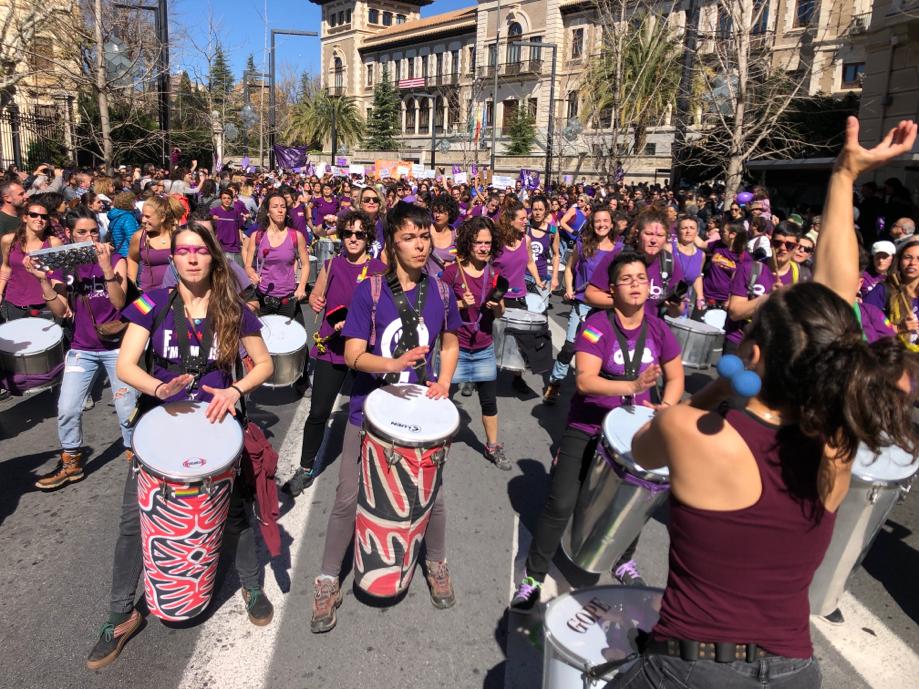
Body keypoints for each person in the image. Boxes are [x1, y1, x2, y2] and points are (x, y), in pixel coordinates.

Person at [610, 281, 917, 688]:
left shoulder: (688, 429)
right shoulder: (838, 450)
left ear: (751, 354)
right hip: (796, 671)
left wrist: (719, 387)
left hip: (690, 668)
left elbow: (642, 450)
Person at [87, 223, 275, 670]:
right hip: (161, 431)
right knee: (134, 521)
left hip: (219, 430)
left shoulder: (233, 307)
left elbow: (264, 364)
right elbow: (127, 365)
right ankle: (120, 613)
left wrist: (236, 390)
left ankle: (250, 586)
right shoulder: (149, 304)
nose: (192, 258)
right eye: (183, 251)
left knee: (237, 514)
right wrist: (160, 386)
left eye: (200, 251)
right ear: (172, 258)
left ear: (213, 257)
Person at [310, 201, 461, 634]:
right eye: (409, 237)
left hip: (422, 413)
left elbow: (449, 342)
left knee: (435, 497)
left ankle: (435, 564)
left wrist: (445, 380)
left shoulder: (443, 291)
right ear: (392, 245)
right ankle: (326, 581)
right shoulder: (370, 291)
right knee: (345, 496)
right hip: (368, 411)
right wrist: (394, 364)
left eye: (424, 235)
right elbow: (353, 355)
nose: (420, 244)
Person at [511, 252, 684, 610]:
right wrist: (633, 384)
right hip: (587, 426)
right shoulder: (597, 326)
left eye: (641, 278)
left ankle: (623, 560)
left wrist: (666, 407)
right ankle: (533, 576)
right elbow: (587, 382)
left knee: (634, 500)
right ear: (612, 288)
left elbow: (675, 375)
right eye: (627, 279)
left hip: (636, 432)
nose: (636, 284)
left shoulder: (658, 328)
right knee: (560, 503)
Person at [26, 207, 137, 490]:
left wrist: (107, 270)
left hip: (116, 348)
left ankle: (135, 455)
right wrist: (43, 280)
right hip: (82, 348)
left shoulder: (115, 258)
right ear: (71, 234)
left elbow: (118, 303)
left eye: (93, 231)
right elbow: (61, 310)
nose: (89, 237)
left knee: (127, 408)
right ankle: (72, 461)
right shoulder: (66, 266)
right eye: (81, 232)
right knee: (67, 407)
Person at [285, 210, 386, 496]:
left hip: (365, 351)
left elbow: (386, 312)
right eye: (347, 233)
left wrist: (356, 321)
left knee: (371, 415)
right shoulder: (331, 265)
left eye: (359, 234)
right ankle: (305, 468)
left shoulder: (379, 269)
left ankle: (372, 469)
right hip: (332, 348)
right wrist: (317, 301)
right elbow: (318, 296)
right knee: (318, 412)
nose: (353, 239)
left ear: (368, 238)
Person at [441, 217, 509, 469]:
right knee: (443, 400)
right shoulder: (451, 273)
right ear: (468, 243)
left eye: (488, 243)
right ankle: (439, 443)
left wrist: (497, 305)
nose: (483, 247)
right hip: (454, 347)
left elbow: (500, 314)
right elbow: (437, 310)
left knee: (489, 401)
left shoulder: (494, 274)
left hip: (483, 346)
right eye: (478, 242)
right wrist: (459, 304)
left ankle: (493, 447)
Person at [543, 206, 618, 404]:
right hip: (583, 305)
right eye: (597, 221)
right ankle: (555, 382)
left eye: (605, 221)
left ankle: (595, 389)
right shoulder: (583, 244)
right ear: (592, 225)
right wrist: (568, 288)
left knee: (600, 350)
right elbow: (568, 269)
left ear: (611, 224)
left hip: (607, 310)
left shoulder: (620, 249)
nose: (602, 225)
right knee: (569, 347)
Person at [243, 191, 311, 390]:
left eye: (283, 206)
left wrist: (301, 287)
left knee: (299, 338)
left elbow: (305, 264)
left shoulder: (295, 236)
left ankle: (301, 378)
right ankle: (258, 377)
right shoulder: (257, 236)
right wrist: (252, 274)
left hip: (288, 297)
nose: (280, 210)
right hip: (263, 297)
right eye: (275, 206)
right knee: (261, 339)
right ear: (268, 210)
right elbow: (248, 264)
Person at [725, 223, 808, 354]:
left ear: (797, 247)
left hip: (774, 349)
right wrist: (769, 297)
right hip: (741, 341)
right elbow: (735, 313)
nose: (783, 248)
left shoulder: (802, 277)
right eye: (777, 243)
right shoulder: (749, 269)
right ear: (770, 243)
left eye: (789, 245)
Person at [585, 209, 686, 315]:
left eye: (660, 236)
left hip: (647, 329)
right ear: (638, 235)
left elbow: (677, 312)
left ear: (666, 239)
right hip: (611, 327)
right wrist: (623, 301)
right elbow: (590, 295)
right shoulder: (618, 256)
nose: (653, 240)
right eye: (648, 234)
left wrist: (676, 307)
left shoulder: (670, 264)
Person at [0, 199, 62, 321]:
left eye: (44, 217)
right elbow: (6, 267)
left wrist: (61, 301)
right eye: (33, 215)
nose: (39, 219)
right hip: (14, 303)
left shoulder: (53, 243)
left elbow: (57, 276)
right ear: (25, 218)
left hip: (45, 304)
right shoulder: (8, 240)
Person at [127, 195, 183, 291]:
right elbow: (132, 258)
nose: (143, 220)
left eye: (148, 216)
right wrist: (132, 283)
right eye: (142, 215)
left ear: (162, 218)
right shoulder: (139, 236)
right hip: (148, 295)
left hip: (176, 295)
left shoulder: (178, 235)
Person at [701, 220, 748, 308]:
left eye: (723, 232)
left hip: (725, 301)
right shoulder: (718, 245)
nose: (720, 233)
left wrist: (730, 300)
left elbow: (743, 282)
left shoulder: (744, 256)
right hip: (706, 295)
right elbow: (701, 244)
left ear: (732, 235)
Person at [526, 195, 560, 296]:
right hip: (524, 275)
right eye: (535, 209)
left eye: (541, 209)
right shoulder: (525, 227)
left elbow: (556, 255)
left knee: (540, 309)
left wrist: (554, 277)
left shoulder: (552, 230)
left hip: (542, 276)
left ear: (546, 211)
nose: (537, 213)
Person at [671, 215, 706, 314]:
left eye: (692, 228)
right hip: (666, 300)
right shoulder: (669, 249)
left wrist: (700, 296)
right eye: (684, 228)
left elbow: (697, 276)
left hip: (683, 303)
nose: (688, 231)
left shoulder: (701, 255)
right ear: (678, 231)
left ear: (697, 232)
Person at [211, 188, 246, 265]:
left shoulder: (236, 212)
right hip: (220, 247)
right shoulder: (214, 211)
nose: (226, 200)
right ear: (221, 199)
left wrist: (241, 242)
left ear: (232, 199)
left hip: (234, 247)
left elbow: (240, 228)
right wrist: (212, 218)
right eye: (224, 198)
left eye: (229, 198)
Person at [426, 194, 459, 278]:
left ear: (450, 213)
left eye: (441, 212)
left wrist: (453, 265)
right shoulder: (425, 231)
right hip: (426, 282)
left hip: (448, 283)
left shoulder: (456, 235)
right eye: (435, 211)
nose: (437, 215)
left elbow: (462, 260)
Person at [107, 191, 140, 257]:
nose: (135, 204)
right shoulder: (127, 217)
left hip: (118, 252)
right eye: (134, 201)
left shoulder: (115, 216)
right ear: (129, 202)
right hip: (128, 254)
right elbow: (132, 239)